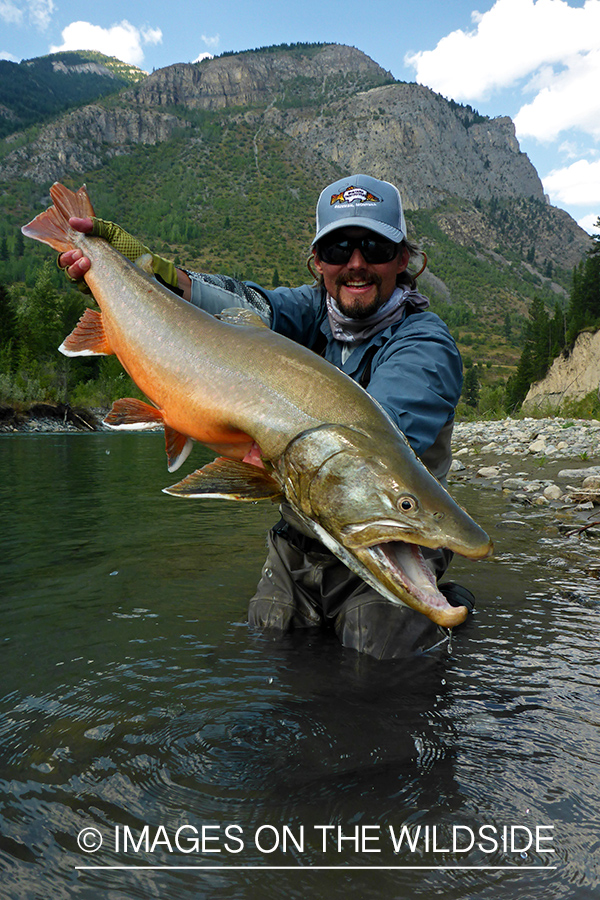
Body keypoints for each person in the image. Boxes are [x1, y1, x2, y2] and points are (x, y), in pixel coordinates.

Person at [59, 173, 474, 660]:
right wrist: (138, 270)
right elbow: (239, 309)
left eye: (375, 248)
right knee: (269, 638)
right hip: (298, 540)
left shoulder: (426, 343)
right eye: (339, 250)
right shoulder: (307, 309)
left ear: (404, 260)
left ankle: (448, 602)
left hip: (389, 531)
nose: (356, 264)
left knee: (375, 654)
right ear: (318, 262)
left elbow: (373, 446)